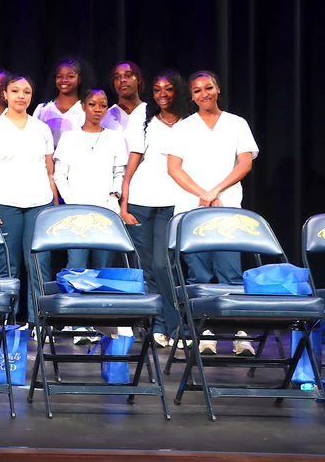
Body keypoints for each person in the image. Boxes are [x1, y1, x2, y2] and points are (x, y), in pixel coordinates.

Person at [166, 71, 258, 356]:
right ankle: (204, 333)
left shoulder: (236, 123)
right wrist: (201, 194)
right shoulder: (182, 128)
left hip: (227, 209)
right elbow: (174, 168)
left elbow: (245, 164)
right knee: (199, 275)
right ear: (191, 96)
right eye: (197, 90)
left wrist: (215, 190)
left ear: (217, 89)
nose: (203, 94)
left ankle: (239, 333)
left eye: (208, 88)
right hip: (193, 211)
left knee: (230, 273)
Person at [0, 74, 58, 326]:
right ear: (5, 94)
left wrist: (54, 204)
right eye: (15, 91)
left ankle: (37, 322)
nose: (21, 96)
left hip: (39, 204)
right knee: (7, 266)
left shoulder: (41, 128)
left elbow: (49, 170)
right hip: (5, 203)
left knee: (38, 264)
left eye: (26, 91)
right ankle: (7, 320)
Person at [120, 71, 191, 348]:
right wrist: (124, 203)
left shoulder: (189, 122)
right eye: (158, 89)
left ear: (179, 91)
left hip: (173, 201)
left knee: (164, 265)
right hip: (140, 198)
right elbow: (133, 160)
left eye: (169, 89)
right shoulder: (145, 117)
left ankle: (174, 325)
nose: (162, 94)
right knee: (146, 267)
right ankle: (159, 326)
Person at [53, 88, 127, 271]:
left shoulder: (115, 137)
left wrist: (113, 197)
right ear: (83, 106)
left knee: (103, 266)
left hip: (106, 211)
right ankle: (74, 299)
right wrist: (72, 202)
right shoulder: (69, 138)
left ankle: (101, 300)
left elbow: (119, 173)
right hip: (76, 211)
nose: (97, 109)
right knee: (76, 265)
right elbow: (60, 175)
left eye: (103, 106)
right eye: (93, 105)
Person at [33, 58, 89, 149]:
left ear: (79, 80)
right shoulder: (42, 109)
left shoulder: (85, 110)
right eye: (59, 76)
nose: (64, 80)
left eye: (70, 76)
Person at [102, 61, 147, 142]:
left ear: (138, 79)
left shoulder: (150, 113)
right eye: (117, 77)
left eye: (128, 75)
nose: (122, 80)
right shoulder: (106, 117)